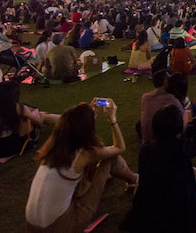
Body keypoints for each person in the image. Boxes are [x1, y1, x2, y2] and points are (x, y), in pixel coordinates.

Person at [25, 98, 138, 232]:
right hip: (62, 227)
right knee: (110, 158)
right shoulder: (85, 153)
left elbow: (71, 124)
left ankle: (125, 179)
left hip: (31, 226)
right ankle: (134, 180)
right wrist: (112, 119)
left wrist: (89, 115)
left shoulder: (52, 148)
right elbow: (119, 147)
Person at [124, 86, 196, 232]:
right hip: (176, 219)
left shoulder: (146, 150)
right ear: (178, 129)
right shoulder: (182, 148)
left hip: (148, 215)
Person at [0, 81, 60, 159]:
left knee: (32, 115)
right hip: (6, 147)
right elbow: (38, 123)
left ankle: (58, 118)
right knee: (39, 117)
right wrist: (40, 121)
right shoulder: (17, 107)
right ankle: (65, 120)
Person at [139, 70, 184, 144]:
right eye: (168, 77)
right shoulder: (172, 100)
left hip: (147, 139)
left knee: (139, 125)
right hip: (165, 140)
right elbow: (182, 122)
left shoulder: (145, 97)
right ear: (165, 82)